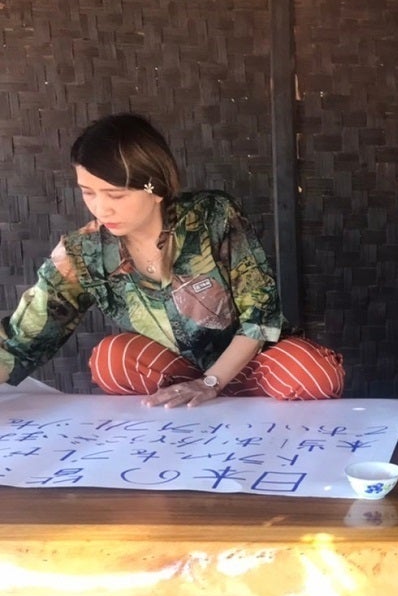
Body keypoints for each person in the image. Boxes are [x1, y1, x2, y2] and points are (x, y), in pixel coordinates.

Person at [0, 113, 344, 406]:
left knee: (313, 374)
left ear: (155, 189)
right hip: (178, 374)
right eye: (88, 192)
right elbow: (22, 338)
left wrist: (211, 383)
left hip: (252, 365)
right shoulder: (83, 251)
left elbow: (260, 316)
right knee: (112, 360)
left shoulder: (212, 216)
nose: (101, 209)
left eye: (116, 195)